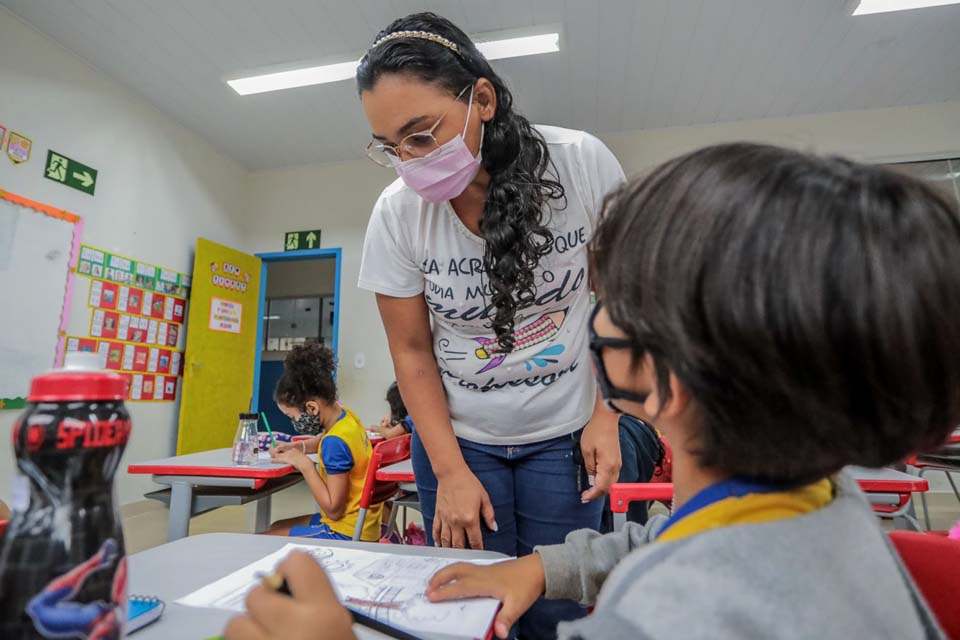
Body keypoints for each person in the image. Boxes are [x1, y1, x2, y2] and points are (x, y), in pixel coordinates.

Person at [224, 143, 960, 640]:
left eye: (607, 295)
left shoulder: (659, 619)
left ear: (665, 379)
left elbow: (673, 581)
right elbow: (671, 541)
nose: (591, 313)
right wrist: (545, 566)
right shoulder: (826, 502)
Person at [355, 12, 625, 635]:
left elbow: (621, 298)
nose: (408, 161)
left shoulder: (579, 163)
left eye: (421, 135)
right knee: (469, 611)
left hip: (564, 431)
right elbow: (413, 351)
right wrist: (448, 471)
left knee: (554, 606)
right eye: (390, 147)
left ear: (481, 98)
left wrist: (607, 412)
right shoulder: (397, 214)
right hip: (459, 440)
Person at [265, 342, 381, 542]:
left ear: (311, 408)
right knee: (276, 526)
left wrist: (305, 465)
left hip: (344, 532)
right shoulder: (346, 418)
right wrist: (297, 447)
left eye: (293, 417)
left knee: (263, 539)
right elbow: (325, 441)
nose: (293, 423)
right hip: (363, 526)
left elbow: (334, 509)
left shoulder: (334, 443)